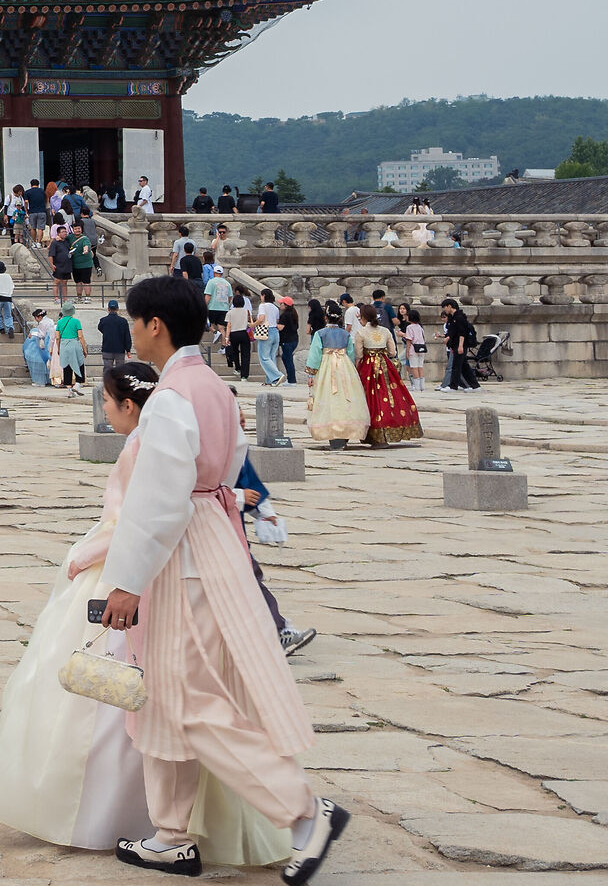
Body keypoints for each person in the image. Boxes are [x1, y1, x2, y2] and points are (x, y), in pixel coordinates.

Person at [0, 357, 289, 868]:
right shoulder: (208, 400)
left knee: (122, 693)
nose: (104, 410)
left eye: (107, 401)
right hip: (198, 559)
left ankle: (130, 818)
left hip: (136, 567)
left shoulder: (143, 442)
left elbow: (141, 516)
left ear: (129, 404)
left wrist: (87, 554)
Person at [93, 276, 346, 883]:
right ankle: (172, 832)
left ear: (155, 324)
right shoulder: (213, 387)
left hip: (184, 555)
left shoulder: (173, 396)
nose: (131, 332)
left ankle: (302, 810)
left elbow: (158, 498)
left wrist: (126, 579)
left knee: (190, 698)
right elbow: (228, 465)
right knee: (167, 694)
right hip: (211, 533)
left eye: (134, 321)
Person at [351, 315, 423, 447]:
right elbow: (392, 352)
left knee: (370, 399)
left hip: (368, 367)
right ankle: (390, 427)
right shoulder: (385, 331)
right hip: (385, 366)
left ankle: (373, 432)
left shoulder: (361, 332)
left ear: (364, 318)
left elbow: (359, 354)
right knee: (391, 395)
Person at [304, 304, 369, 448]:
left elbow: (315, 355)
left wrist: (311, 373)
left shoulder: (320, 334)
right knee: (346, 397)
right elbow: (351, 354)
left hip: (327, 366)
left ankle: (332, 431)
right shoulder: (345, 334)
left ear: (325, 318)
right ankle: (347, 429)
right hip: (344, 366)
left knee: (329, 397)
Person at [441, 299, 482, 390]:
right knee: (464, 366)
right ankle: (475, 386)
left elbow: (462, 333)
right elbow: (452, 332)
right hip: (455, 344)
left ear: (449, 306)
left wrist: (460, 346)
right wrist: (449, 342)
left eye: (445, 307)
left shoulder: (459, 317)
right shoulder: (452, 318)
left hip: (461, 344)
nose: (445, 310)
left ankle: (453, 386)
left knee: (456, 366)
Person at [55, 306, 87, 391]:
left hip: (64, 344)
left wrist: (58, 348)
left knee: (67, 365)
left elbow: (57, 337)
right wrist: (84, 349)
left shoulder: (59, 322)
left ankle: (68, 387)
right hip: (75, 344)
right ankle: (77, 383)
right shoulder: (76, 322)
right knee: (79, 363)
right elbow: (80, 336)